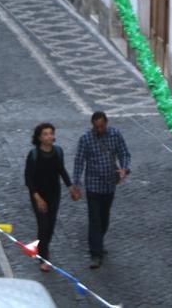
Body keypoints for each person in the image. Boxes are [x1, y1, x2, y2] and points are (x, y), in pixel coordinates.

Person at [73, 111, 131, 269]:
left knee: (104, 218)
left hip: (109, 185)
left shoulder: (115, 135)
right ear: (93, 126)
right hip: (93, 185)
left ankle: (98, 242)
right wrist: (76, 183)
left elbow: (124, 153)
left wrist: (124, 169)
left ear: (106, 123)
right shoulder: (85, 139)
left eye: (102, 126)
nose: (99, 130)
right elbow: (79, 161)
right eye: (96, 127)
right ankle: (95, 254)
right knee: (94, 219)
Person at [25, 123, 80, 272]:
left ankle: (42, 248)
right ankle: (44, 257)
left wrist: (70, 188)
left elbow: (61, 170)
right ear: (39, 138)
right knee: (43, 225)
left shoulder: (57, 152)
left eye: (51, 133)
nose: (49, 136)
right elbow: (28, 179)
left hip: (54, 194)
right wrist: (37, 197)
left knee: (50, 226)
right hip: (38, 195)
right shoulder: (34, 155)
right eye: (45, 134)